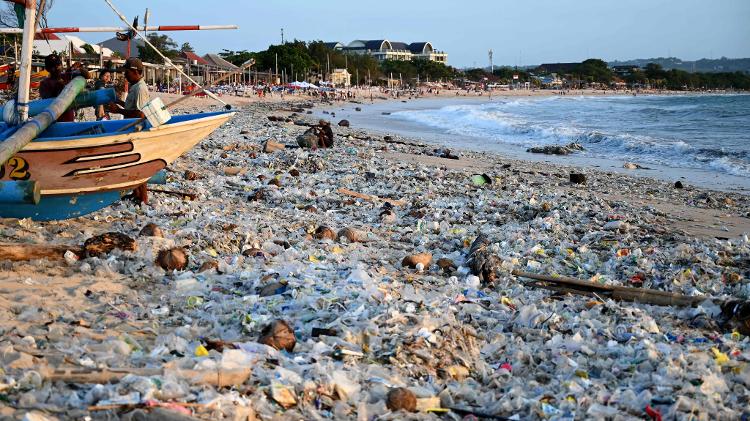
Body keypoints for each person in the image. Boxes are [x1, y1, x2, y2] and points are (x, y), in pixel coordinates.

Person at [39, 53, 91, 122]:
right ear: (47, 69)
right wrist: (59, 87)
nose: (57, 68)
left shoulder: (67, 75)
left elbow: (87, 76)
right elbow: (47, 101)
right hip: (54, 121)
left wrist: (79, 68)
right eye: (53, 66)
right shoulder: (44, 83)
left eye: (58, 65)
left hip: (69, 118)